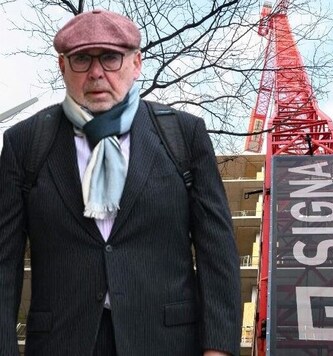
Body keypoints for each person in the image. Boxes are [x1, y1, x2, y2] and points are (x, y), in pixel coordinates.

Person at [0, 9, 241, 356]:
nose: (97, 72)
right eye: (82, 59)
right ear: (62, 66)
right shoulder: (25, 144)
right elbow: (5, 265)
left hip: (167, 342)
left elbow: (217, 252)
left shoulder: (183, 135)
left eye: (111, 58)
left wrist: (219, 348)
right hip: (61, 343)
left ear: (136, 62)